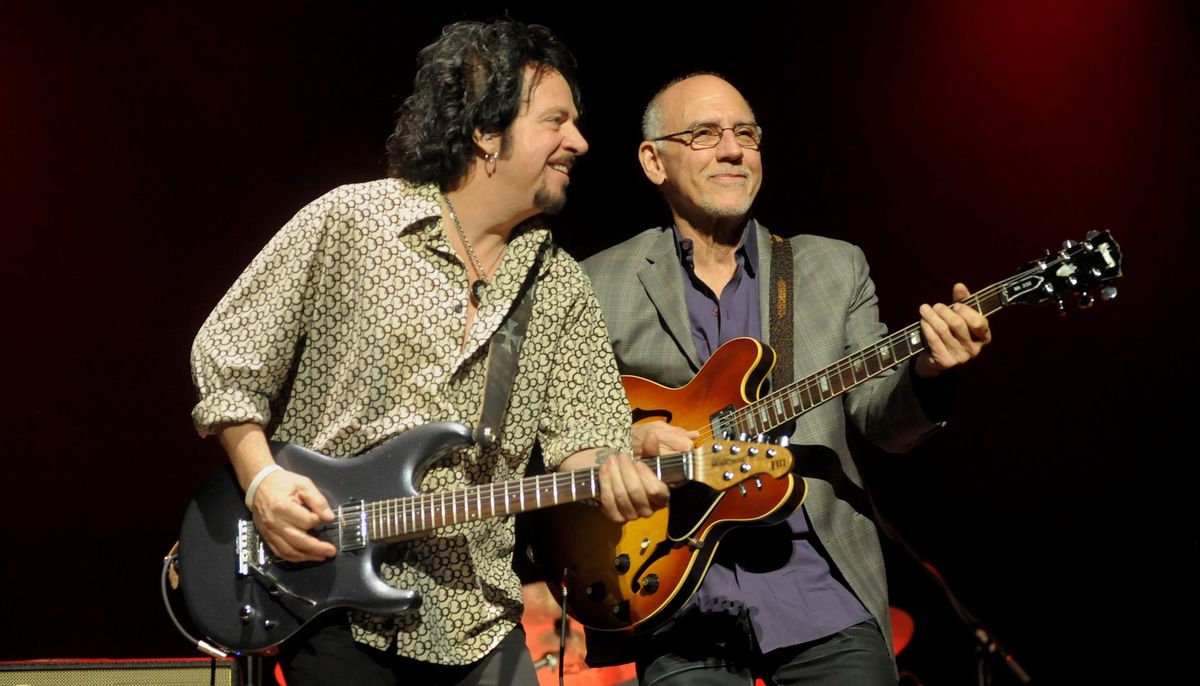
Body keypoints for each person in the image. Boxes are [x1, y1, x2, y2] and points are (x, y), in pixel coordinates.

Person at [189, 20, 666, 686]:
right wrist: (261, 480)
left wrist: (615, 471)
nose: (579, 142)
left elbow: (583, 439)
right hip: (327, 602)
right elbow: (229, 351)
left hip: (479, 614)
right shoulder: (353, 221)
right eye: (556, 120)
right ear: (485, 129)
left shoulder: (558, 283)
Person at [580, 73, 992, 685]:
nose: (732, 149)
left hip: (819, 588)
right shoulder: (595, 282)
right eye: (704, 134)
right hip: (672, 590)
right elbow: (559, 431)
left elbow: (882, 423)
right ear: (653, 161)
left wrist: (927, 371)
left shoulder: (831, 265)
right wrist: (632, 442)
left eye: (746, 133)